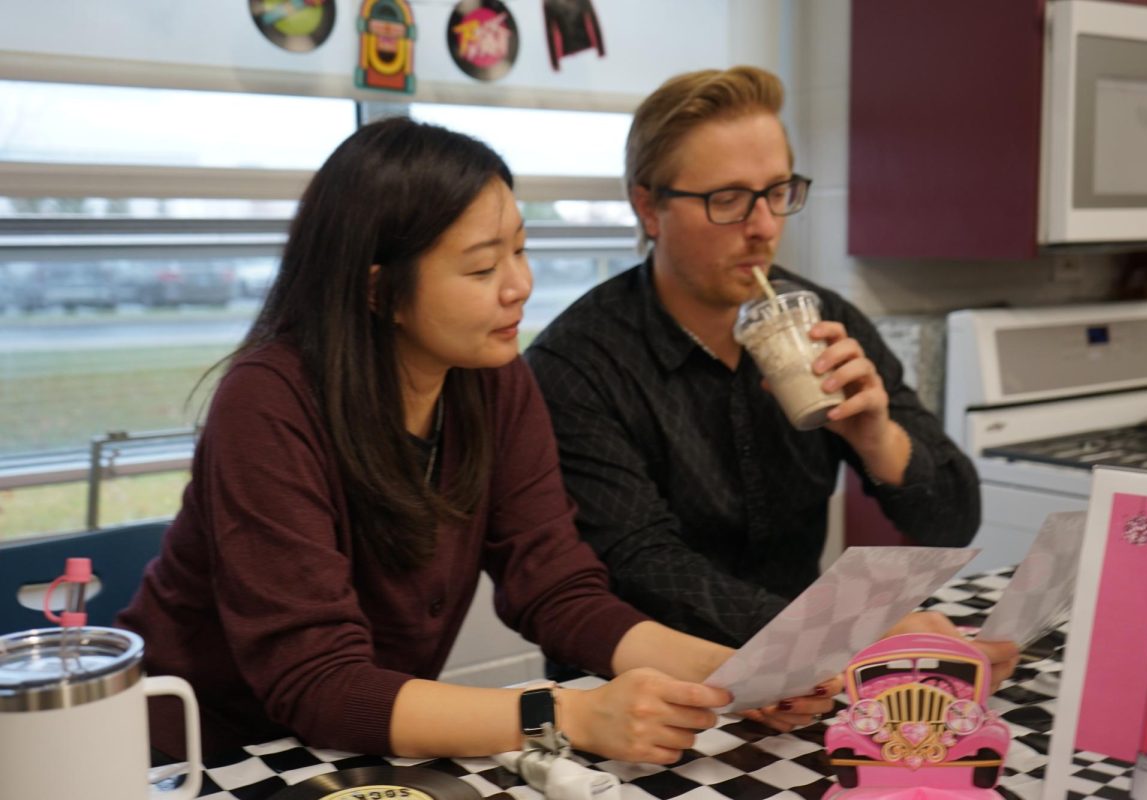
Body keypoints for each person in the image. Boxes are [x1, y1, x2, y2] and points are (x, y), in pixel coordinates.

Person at [116, 116, 837, 765]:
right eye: (483, 267)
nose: (519, 286)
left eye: (520, 251)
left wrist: (730, 676)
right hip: (199, 756)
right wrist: (567, 713)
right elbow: (321, 683)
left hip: (352, 752)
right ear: (378, 291)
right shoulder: (270, 403)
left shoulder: (492, 381)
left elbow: (556, 587)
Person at [524, 66, 983, 650]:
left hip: (801, 678)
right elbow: (646, 569)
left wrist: (879, 440)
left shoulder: (821, 321)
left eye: (777, 192)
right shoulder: (578, 364)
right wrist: (841, 632)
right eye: (729, 200)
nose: (764, 227)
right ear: (648, 208)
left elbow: (954, 521)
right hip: (637, 693)